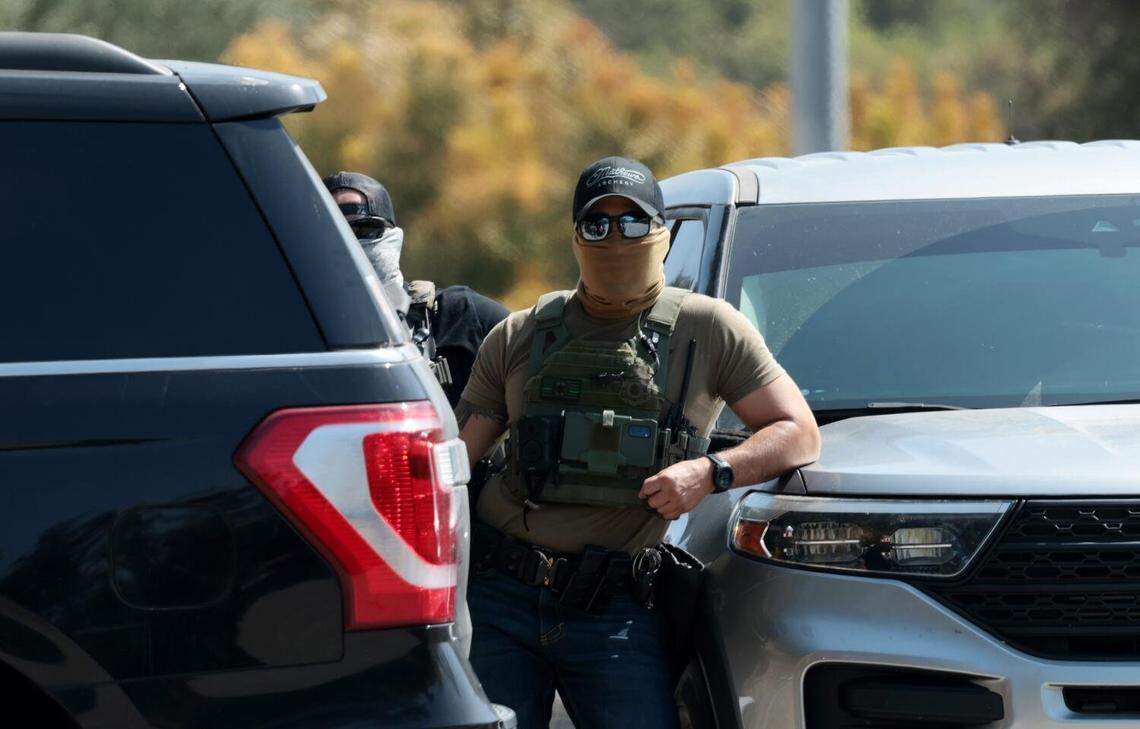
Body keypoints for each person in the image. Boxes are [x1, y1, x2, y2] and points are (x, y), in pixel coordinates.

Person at [456, 156, 821, 728]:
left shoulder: (709, 328)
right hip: (503, 596)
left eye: (632, 223)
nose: (615, 238)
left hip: (617, 606)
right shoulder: (520, 332)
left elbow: (798, 432)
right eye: (597, 225)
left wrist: (709, 474)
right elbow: (454, 464)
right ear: (576, 237)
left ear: (662, 234)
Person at [323, 172, 509, 407]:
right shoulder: (292, 341)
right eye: (333, 234)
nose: (351, 244)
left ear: (392, 236)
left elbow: (545, 364)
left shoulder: (460, 316)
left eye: (365, 230)